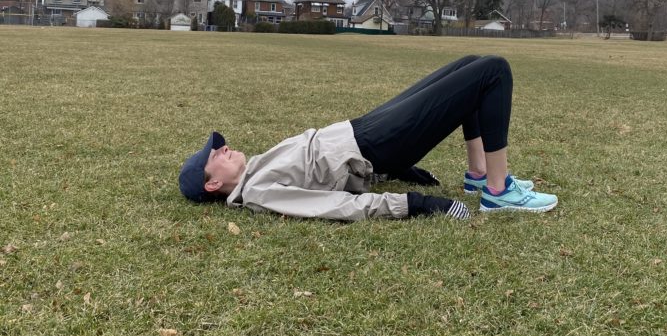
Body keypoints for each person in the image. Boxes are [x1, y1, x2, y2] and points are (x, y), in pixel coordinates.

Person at [178, 54, 558, 221]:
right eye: (217, 154)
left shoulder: (257, 168)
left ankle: (478, 177)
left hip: (365, 131)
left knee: (471, 63)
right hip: (376, 142)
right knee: (493, 71)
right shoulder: (259, 191)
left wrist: (401, 169)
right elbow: (334, 205)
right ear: (212, 184)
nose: (223, 148)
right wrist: (416, 203)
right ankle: (498, 191)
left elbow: (331, 170)